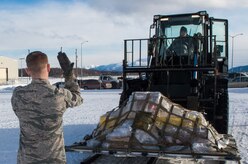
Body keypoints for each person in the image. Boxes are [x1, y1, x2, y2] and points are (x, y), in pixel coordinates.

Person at [11, 51, 83, 164]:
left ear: (27, 70)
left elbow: (17, 110)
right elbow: (78, 97)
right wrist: (69, 75)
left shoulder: (18, 95)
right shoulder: (60, 95)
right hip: (54, 160)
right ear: (48, 67)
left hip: (27, 159)